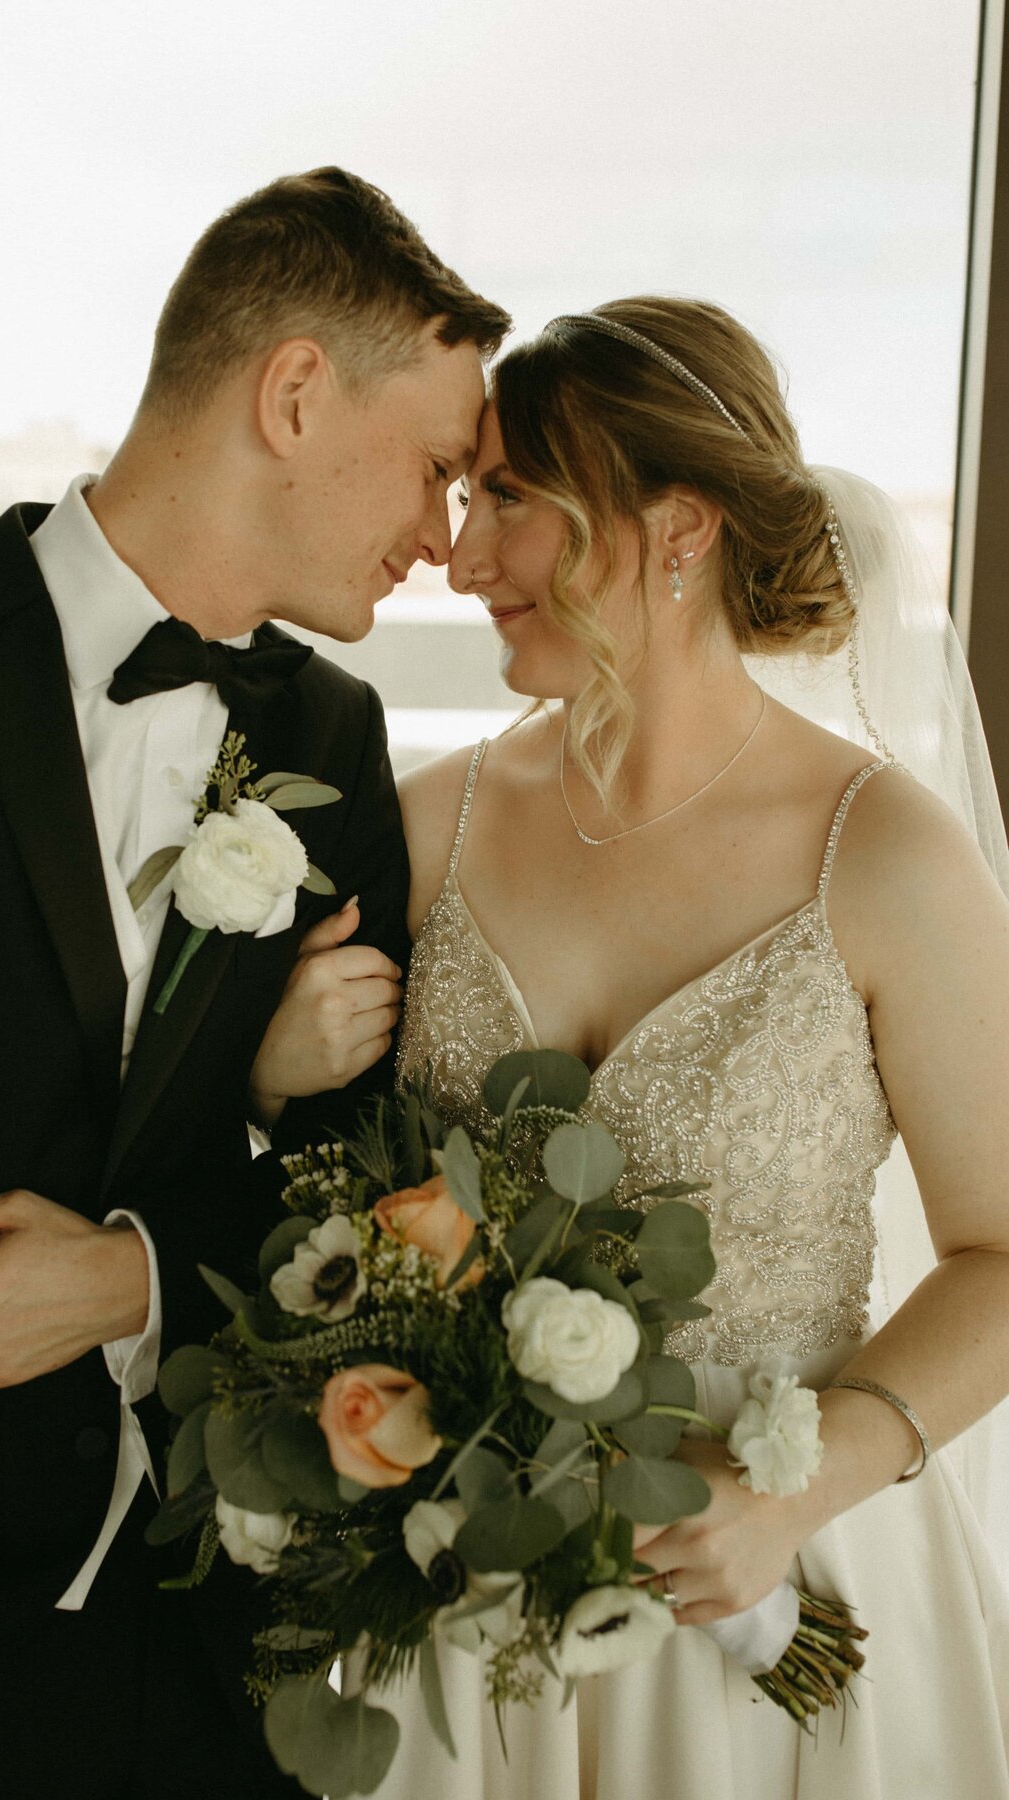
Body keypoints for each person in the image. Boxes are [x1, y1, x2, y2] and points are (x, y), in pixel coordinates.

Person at [0, 166, 507, 1800]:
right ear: (291, 393)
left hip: (205, 1660)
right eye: (434, 468)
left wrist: (137, 1279)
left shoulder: (337, 739)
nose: (441, 534)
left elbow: (373, 1203)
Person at [253, 298, 1009, 1796]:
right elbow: (339, 1200)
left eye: (513, 501)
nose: (463, 557)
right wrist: (271, 1075)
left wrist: (792, 1498)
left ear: (677, 526)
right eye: (466, 498)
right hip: (472, 1589)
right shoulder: (424, 826)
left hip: (780, 1571)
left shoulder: (886, 857)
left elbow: (1001, 1251)